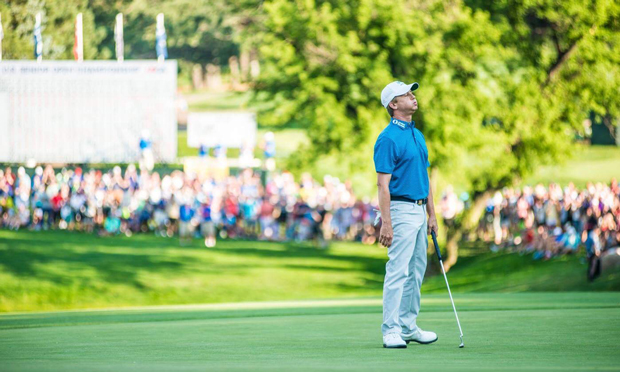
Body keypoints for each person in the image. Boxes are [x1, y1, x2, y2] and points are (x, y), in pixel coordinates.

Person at [373, 81, 438, 349]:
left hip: (420, 209)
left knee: (416, 270)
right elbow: (382, 185)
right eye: (406, 94)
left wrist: (432, 215)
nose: (413, 97)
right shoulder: (388, 138)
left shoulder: (417, 134)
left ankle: (408, 326)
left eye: (412, 93)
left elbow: (425, 177)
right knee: (398, 271)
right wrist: (386, 223)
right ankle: (390, 330)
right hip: (400, 209)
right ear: (393, 104)